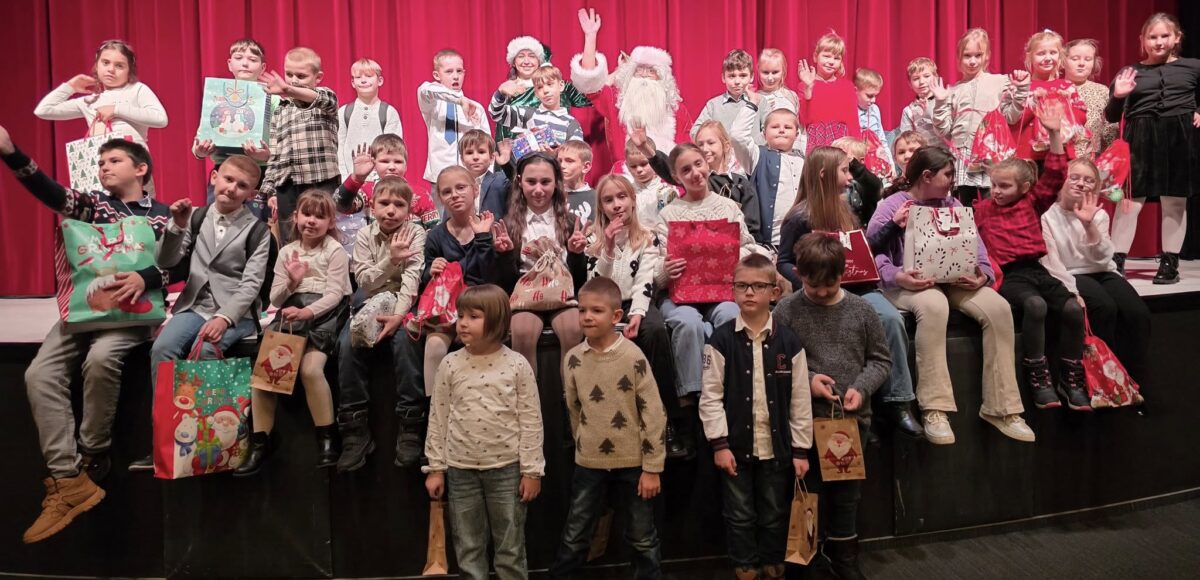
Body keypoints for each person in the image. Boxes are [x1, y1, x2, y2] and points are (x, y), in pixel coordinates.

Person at [0, 126, 169, 543]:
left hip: (131, 316)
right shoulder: (92, 205)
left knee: (101, 359)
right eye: (100, 162)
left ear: (140, 168)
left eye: (113, 161)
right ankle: (66, 476)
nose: (103, 167)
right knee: (38, 375)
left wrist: (147, 275)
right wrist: (10, 151)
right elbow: (49, 191)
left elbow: (178, 267)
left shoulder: (163, 215)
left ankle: (94, 454)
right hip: (83, 313)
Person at [868, 146, 1035, 444]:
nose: (951, 181)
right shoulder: (892, 205)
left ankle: (1003, 407)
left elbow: (979, 249)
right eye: (947, 175)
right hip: (907, 284)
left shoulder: (953, 204)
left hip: (954, 279)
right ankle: (935, 407)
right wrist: (897, 275)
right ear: (927, 176)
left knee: (998, 308)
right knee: (934, 305)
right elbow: (873, 254)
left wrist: (981, 274)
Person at [134, 156, 272, 471]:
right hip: (195, 304)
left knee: (208, 348)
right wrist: (176, 225)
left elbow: (251, 285)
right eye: (228, 180)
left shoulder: (258, 231)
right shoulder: (195, 217)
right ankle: (166, 438)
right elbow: (166, 262)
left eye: (243, 186)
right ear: (214, 177)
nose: (233, 189)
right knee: (163, 347)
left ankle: (218, 441)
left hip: (234, 310)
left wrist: (224, 318)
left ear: (251, 194)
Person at [776, 146, 922, 439]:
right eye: (844, 170)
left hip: (859, 289)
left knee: (891, 320)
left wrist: (892, 228)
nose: (849, 177)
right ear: (824, 174)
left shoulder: (848, 208)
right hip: (820, 293)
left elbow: (864, 248)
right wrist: (810, 279)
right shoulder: (799, 217)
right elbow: (784, 261)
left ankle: (898, 402)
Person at [773, 234, 891, 580]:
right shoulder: (787, 310)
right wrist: (809, 379)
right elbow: (778, 361)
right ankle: (805, 557)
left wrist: (860, 388)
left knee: (846, 496)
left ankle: (844, 558)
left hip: (851, 421)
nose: (822, 292)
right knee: (807, 493)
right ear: (798, 274)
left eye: (830, 284)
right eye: (813, 285)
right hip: (804, 421)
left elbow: (881, 361)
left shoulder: (862, 310)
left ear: (844, 274)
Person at [700, 254, 812, 580]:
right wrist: (719, 444)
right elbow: (710, 398)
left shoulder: (788, 341)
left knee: (774, 510)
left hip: (776, 448)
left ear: (774, 293)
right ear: (732, 290)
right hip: (735, 446)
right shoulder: (720, 339)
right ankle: (745, 561)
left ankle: (772, 558)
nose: (749, 293)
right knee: (739, 513)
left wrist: (801, 449)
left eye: (758, 286)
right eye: (741, 286)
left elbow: (800, 399)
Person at [423, 284, 544, 580]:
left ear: (497, 321)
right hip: (461, 471)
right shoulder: (450, 364)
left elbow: (531, 421)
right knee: (468, 551)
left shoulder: (517, 365)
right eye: (461, 315)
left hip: (507, 471)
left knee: (510, 551)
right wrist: (435, 468)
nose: (463, 323)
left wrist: (532, 471)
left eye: (473, 316)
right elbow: (438, 418)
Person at [656, 144, 769, 459]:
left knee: (732, 315)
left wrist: (735, 255)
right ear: (677, 178)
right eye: (686, 170)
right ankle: (690, 417)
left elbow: (750, 246)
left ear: (708, 163)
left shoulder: (728, 208)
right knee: (688, 323)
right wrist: (665, 270)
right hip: (681, 294)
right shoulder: (669, 214)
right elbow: (654, 267)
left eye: (698, 164)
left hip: (720, 290)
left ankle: (734, 401)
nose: (695, 173)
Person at [551, 277, 668, 579]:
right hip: (589, 463)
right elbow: (574, 409)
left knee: (642, 538)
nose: (587, 317)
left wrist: (653, 467)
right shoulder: (573, 359)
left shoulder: (633, 356)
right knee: (576, 534)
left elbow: (653, 413)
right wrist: (584, 443)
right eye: (583, 310)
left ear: (616, 316)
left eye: (597, 311)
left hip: (634, 464)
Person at [974, 107, 1089, 410]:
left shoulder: (1032, 202)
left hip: (1037, 271)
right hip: (1010, 275)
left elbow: (1055, 174)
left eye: (1004, 186)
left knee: (1073, 310)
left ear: (1024, 188)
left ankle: (1071, 376)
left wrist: (1053, 134)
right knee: (1035, 306)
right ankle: (1038, 374)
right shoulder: (983, 210)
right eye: (993, 185)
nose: (996, 191)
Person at [237, 190, 350, 476]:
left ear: (330, 221)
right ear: (296, 216)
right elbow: (274, 299)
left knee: (311, 370)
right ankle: (261, 442)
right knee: (264, 378)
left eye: (320, 216)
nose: (311, 221)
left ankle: (327, 437)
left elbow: (336, 293)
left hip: (322, 314)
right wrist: (292, 282)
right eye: (306, 214)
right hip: (290, 313)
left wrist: (308, 312)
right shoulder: (287, 252)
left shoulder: (335, 250)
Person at [585, 175, 685, 458]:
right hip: (602, 301)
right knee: (593, 333)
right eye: (608, 200)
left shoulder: (646, 237)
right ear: (601, 206)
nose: (617, 205)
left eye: (622, 197)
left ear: (632, 200)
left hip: (635, 301)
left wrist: (638, 315)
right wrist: (606, 247)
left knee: (654, 331)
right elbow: (596, 285)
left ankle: (668, 417)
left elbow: (645, 282)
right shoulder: (592, 237)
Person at [336, 177, 426, 471]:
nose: (391, 211)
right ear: (372, 206)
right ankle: (355, 427)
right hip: (371, 300)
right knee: (348, 344)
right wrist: (390, 259)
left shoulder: (416, 233)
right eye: (384, 204)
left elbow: (411, 282)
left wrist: (398, 318)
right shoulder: (364, 235)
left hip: (404, 304)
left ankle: (411, 423)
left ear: (409, 210)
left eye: (399, 205)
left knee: (405, 340)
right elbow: (365, 281)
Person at [1105, 12, 1200, 284]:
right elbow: (1111, 116)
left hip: (1179, 138)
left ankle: (1170, 263)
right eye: (1152, 37)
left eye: (1164, 36)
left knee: (1174, 202)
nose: (1158, 42)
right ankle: (1117, 261)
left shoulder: (1193, 66)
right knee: (1128, 204)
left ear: (1177, 38)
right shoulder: (1130, 72)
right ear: (1143, 40)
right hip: (1141, 138)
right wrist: (1118, 96)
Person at [1041, 157, 1151, 385]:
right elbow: (1052, 262)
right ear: (1063, 179)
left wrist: (1089, 225)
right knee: (1104, 307)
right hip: (1073, 273)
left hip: (1102, 270)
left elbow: (1103, 258)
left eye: (1089, 180)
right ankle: (1105, 377)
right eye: (1075, 177)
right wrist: (1071, 290)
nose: (1081, 184)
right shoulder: (1047, 216)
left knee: (1138, 313)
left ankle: (1136, 379)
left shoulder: (1098, 214)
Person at [491, 154, 587, 377]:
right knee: (522, 331)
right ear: (519, 183)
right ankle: (527, 402)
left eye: (545, 182)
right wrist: (504, 255)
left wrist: (575, 254)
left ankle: (571, 400)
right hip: (524, 296)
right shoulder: (508, 224)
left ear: (556, 183)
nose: (538, 190)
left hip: (563, 295)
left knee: (574, 328)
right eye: (531, 182)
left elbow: (580, 279)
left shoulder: (571, 222)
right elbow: (505, 282)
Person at [570, 8, 693, 170]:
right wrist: (590, 37)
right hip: (626, 180)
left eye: (651, 71)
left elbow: (687, 150)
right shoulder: (618, 102)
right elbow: (590, 84)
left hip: (667, 178)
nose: (643, 76)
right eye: (638, 70)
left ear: (663, 79)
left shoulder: (676, 109)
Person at [419, 166, 498, 405]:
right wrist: (430, 272)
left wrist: (484, 239)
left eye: (461, 188)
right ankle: (434, 412)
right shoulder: (435, 236)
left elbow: (493, 276)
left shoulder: (491, 226)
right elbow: (427, 280)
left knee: (475, 339)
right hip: (447, 310)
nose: (454, 195)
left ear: (475, 190)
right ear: (440, 198)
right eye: (446, 191)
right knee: (433, 346)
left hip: (480, 305)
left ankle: (477, 406)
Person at [931, 28, 1030, 205]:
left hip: (990, 153)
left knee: (992, 199)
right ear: (959, 58)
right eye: (967, 56)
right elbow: (945, 130)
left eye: (978, 55)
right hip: (962, 155)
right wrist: (940, 103)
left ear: (987, 56)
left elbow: (1011, 117)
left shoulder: (1000, 82)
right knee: (964, 205)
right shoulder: (953, 90)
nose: (973, 61)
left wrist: (1021, 91)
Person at [259, 47, 340, 245]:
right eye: (289, 74)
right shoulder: (281, 110)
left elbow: (323, 99)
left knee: (323, 237)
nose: (294, 80)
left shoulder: (325, 98)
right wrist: (268, 191)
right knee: (290, 238)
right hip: (288, 185)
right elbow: (275, 155)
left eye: (301, 76)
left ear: (317, 77)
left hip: (320, 181)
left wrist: (288, 89)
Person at [35, 39, 168, 143]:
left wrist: (115, 109)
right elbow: (43, 111)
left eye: (119, 66)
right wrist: (69, 87)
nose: (111, 69)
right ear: (96, 66)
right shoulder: (90, 101)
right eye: (105, 63)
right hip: (101, 167)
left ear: (129, 70)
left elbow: (160, 119)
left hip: (133, 164)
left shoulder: (137, 89)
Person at [192, 38, 273, 199]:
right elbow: (198, 143)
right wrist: (200, 152)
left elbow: (279, 146)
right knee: (218, 218)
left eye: (252, 60)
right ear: (229, 64)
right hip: (224, 168)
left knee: (259, 221)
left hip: (261, 172)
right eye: (239, 58)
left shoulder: (273, 99)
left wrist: (265, 155)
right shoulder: (216, 95)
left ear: (262, 67)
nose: (245, 63)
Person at [494, 35, 592, 141]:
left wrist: (590, 37)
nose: (526, 61)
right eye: (521, 56)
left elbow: (590, 91)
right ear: (514, 61)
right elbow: (499, 117)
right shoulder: (508, 90)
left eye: (532, 56)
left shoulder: (560, 86)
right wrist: (501, 93)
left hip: (557, 154)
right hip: (515, 154)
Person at [1011, 30, 1089, 162]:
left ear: (1060, 55)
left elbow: (1081, 119)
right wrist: (1033, 102)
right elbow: (1013, 123)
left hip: (1060, 153)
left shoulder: (1067, 86)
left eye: (1053, 53)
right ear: (1029, 57)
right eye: (1041, 54)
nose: (1048, 58)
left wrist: (1066, 104)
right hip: (1027, 157)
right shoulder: (1022, 86)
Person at [418, 49, 490, 190]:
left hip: (470, 177)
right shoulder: (433, 105)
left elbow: (487, 145)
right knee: (441, 212)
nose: (456, 76)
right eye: (449, 72)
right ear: (436, 75)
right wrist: (459, 100)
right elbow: (424, 89)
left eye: (459, 71)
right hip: (440, 176)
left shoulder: (476, 108)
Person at [335, 134, 439, 231]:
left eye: (398, 162)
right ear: (374, 163)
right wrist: (356, 178)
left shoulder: (420, 194)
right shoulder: (368, 190)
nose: (392, 167)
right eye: (385, 161)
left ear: (406, 166)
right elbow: (340, 206)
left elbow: (435, 233)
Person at [691, 49, 760, 173]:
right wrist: (717, 143)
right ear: (723, 77)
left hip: (753, 166)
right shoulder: (713, 105)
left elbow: (768, 132)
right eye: (732, 76)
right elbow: (695, 132)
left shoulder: (760, 102)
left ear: (752, 77)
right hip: (722, 168)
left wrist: (751, 148)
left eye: (743, 75)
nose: (737, 81)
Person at [744, 108, 805, 248]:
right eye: (775, 127)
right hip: (770, 241)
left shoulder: (804, 160)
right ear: (764, 133)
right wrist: (751, 105)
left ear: (796, 134)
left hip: (803, 241)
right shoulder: (757, 156)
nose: (781, 130)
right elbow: (738, 137)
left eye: (787, 127)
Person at [337, 58, 402, 180]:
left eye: (368, 76)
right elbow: (339, 148)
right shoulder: (344, 112)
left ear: (380, 80)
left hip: (380, 180)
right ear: (352, 82)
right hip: (350, 180)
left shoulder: (388, 112)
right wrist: (345, 177)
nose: (363, 80)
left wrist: (381, 178)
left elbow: (393, 149)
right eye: (358, 77)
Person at [796, 32, 862, 154]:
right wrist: (808, 89)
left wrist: (858, 149)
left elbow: (853, 122)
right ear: (816, 56)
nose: (831, 62)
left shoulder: (847, 87)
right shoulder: (804, 86)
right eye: (826, 56)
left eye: (836, 58)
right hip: (816, 144)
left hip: (842, 144)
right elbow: (804, 121)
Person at [490, 64, 585, 145]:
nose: (545, 91)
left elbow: (576, 155)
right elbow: (497, 114)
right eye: (539, 87)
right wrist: (501, 93)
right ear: (536, 94)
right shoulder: (527, 114)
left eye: (550, 84)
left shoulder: (571, 123)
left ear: (561, 86)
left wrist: (556, 153)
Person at [1064, 39, 1118, 158]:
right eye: (1075, 59)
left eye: (1088, 59)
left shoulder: (1102, 91)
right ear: (1063, 61)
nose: (1081, 63)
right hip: (1060, 158)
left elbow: (1110, 129)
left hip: (1092, 160)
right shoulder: (1055, 89)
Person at [624, 134, 680, 228]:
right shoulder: (626, 193)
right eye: (633, 166)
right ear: (627, 166)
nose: (639, 170)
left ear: (653, 161)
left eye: (644, 164)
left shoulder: (666, 192)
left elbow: (672, 225)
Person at [755, 48, 803, 151]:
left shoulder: (791, 96)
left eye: (775, 72)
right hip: (765, 154)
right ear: (758, 71)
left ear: (783, 71)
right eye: (765, 72)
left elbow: (798, 127)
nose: (770, 78)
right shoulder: (755, 98)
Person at [457, 129, 513, 218]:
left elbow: (519, 185)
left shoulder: (501, 180)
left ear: (491, 158)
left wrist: (507, 165)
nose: (475, 157)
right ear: (462, 160)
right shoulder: (457, 185)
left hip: (495, 231)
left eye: (481, 152)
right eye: (469, 152)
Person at [854, 67, 895, 174]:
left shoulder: (875, 109)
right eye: (869, 96)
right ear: (855, 91)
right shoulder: (849, 110)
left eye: (875, 96)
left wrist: (890, 164)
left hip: (874, 163)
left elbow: (881, 138)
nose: (873, 100)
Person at [897, 57, 940, 146]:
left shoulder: (944, 102)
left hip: (946, 154)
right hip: (923, 155)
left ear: (936, 77)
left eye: (926, 76)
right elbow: (906, 140)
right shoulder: (908, 111)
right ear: (910, 83)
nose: (921, 82)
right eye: (916, 78)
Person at [559, 139, 595, 222]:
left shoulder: (596, 198)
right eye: (559, 161)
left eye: (569, 161)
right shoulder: (553, 195)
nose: (562, 165)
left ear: (585, 167)